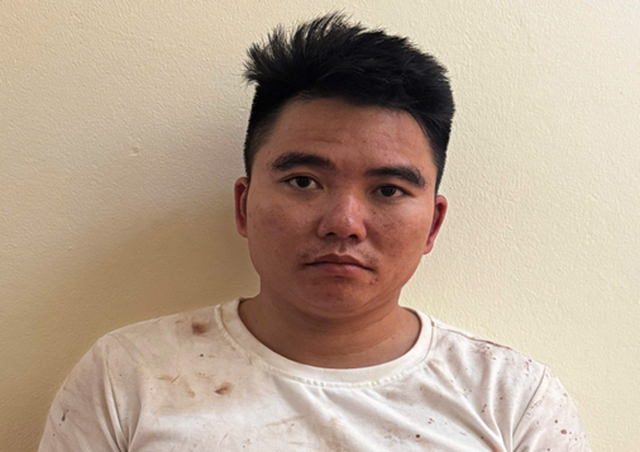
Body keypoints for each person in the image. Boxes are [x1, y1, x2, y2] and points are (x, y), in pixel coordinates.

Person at [38, 13, 591, 451]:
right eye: (303, 181)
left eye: (388, 190)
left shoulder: (513, 397)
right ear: (244, 205)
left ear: (433, 224)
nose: (343, 224)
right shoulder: (128, 375)